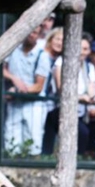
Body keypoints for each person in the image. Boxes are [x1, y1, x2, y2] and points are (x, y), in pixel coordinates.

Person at [2, 26, 51, 156]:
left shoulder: (42, 56)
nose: (31, 35)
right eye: (29, 31)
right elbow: (2, 69)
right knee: (11, 143)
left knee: (33, 143)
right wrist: (13, 78)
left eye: (35, 32)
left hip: (34, 105)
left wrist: (17, 89)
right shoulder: (13, 50)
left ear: (39, 35)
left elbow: (38, 86)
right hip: (14, 103)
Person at [53, 34, 93, 155]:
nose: (83, 52)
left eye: (86, 49)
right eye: (80, 48)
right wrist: (81, 97)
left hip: (79, 113)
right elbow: (61, 89)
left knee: (82, 135)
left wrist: (89, 96)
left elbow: (91, 91)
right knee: (82, 133)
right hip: (60, 110)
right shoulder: (61, 62)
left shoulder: (88, 67)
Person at [39, 27, 63, 155]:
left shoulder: (59, 61)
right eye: (58, 39)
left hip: (50, 104)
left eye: (63, 40)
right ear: (50, 39)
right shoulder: (40, 54)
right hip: (38, 99)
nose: (60, 43)